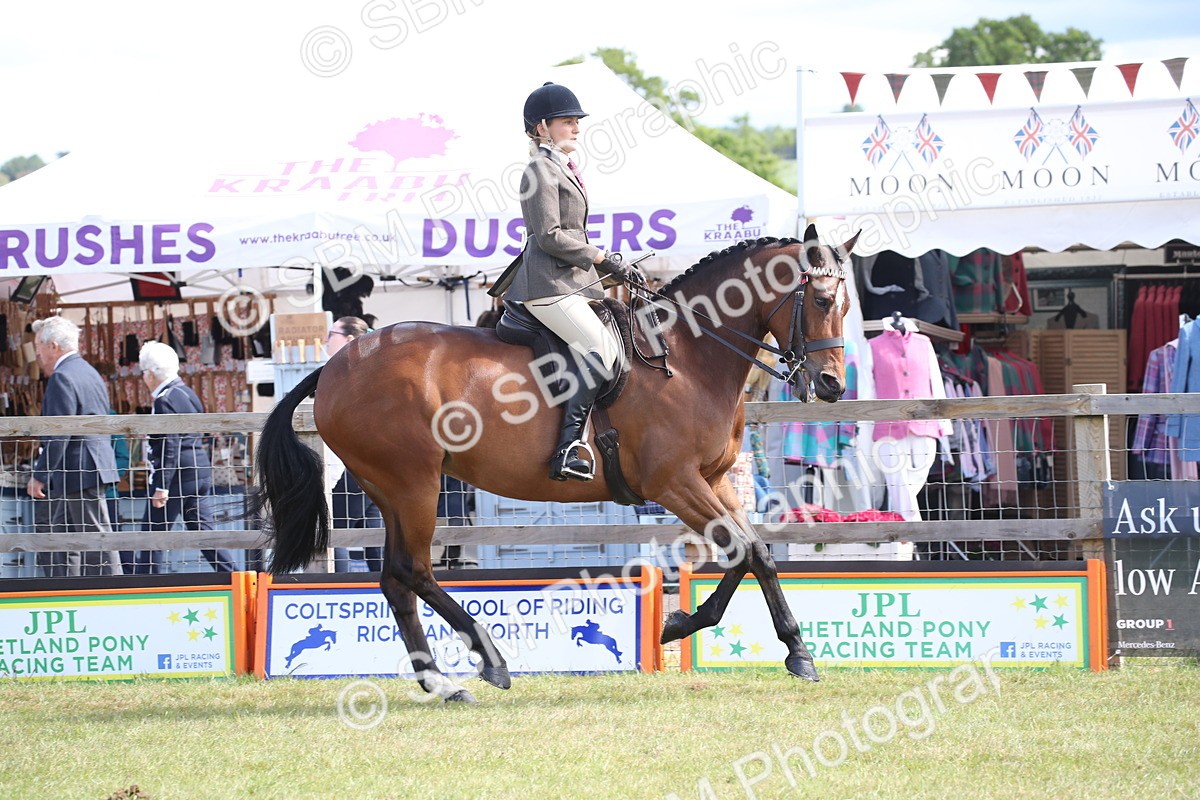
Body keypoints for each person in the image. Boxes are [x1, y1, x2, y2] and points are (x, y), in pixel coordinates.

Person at [501, 81, 632, 481]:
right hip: (546, 285)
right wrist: (598, 256)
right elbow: (550, 236)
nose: (576, 127)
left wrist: (611, 269)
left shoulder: (562, 166)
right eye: (567, 121)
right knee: (601, 349)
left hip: (571, 282)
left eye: (576, 121)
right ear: (542, 127)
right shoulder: (538, 170)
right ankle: (567, 449)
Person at [26, 315, 123, 576]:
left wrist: (39, 475)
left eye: (39, 348)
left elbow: (58, 433)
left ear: (53, 346)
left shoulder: (63, 377)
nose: (39, 356)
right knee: (66, 537)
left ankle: (116, 591)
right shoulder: (88, 373)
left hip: (78, 468)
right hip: (86, 466)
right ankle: (68, 590)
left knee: (95, 537)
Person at [137, 341, 237, 573]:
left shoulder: (164, 399)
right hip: (197, 468)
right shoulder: (187, 392)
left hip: (176, 475)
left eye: (143, 373)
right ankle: (233, 576)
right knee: (205, 534)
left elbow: (169, 444)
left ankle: (143, 587)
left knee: (151, 534)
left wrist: (161, 485)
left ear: (151, 373)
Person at [326, 316, 384, 572]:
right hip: (375, 464)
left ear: (348, 339)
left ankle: (337, 589)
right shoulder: (374, 368)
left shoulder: (348, 372)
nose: (327, 340)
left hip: (354, 463)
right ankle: (382, 588)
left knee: (334, 528)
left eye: (331, 334)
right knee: (372, 530)